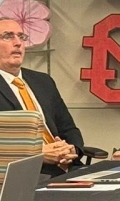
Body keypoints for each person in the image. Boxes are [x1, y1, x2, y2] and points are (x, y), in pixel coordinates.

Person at [0, 17, 84, 175]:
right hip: (25, 176)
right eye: (8, 36)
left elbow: (69, 128)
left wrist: (71, 148)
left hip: (69, 168)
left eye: (21, 36)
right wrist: (37, 154)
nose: (18, 43)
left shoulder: (43, 81)